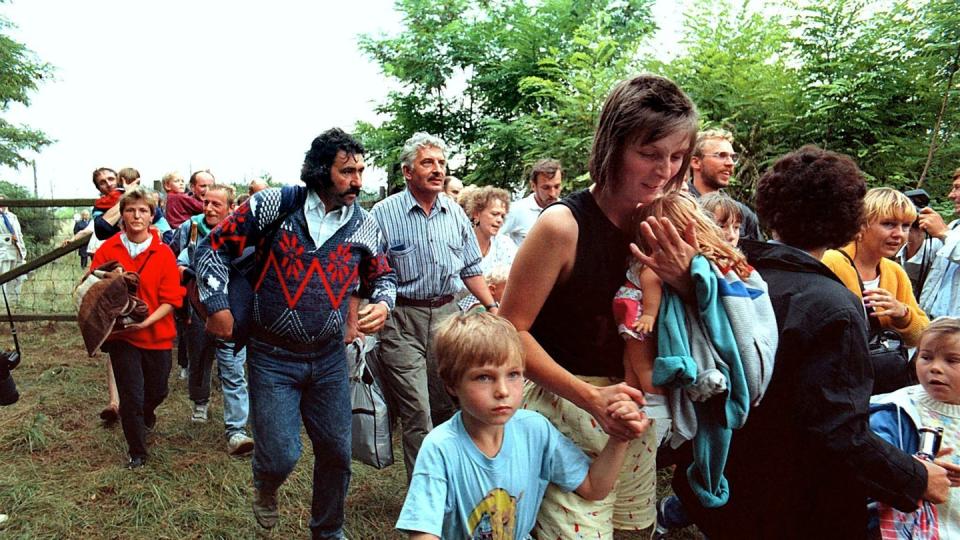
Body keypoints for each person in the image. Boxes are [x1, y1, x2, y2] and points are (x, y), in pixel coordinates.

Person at [656, 145, 949, 538]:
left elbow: (785, 370)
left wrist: (908, 366)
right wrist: (916, 477)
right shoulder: (831, 304)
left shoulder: (728, 281)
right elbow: (838, 430)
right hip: (795, 508)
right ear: (850, 221)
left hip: (724, 489)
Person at [499, 74, 698, 537]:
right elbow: (509, 332)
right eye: (648, 154)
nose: (664, 170)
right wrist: (591, 397)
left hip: (637, 413)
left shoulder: (666, 221)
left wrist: (685, 281)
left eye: (676, 156)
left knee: (634, 531)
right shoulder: (562, 226)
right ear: (612, 145)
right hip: (565, 409)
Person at [196, 128, 396, 538]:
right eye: (348, 171)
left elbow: (384, 276)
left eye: (361, 170)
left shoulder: (365, 224)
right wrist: (216, 305)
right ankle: (266, 485)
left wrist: (384, 304)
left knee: (337, 453)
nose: (358, 180)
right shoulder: (274, 206)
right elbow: (213, 248)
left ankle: (328, 530)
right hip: (272, 357)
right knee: (282, 456)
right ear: (321, 171)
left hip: (328, 360)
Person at [395, 311, 647, 539]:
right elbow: (423, 532)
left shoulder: (535, 430)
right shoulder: (440, 447)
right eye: (484, 377)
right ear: (451, 383)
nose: (503, 390)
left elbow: (593, 488)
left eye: (514, 374)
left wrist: (619, 437)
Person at [371, 132, 499, 480]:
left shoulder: (455, 214)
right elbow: (369, 273)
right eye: (428, 162)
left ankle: (450, 481)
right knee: (417, 410)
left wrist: (492, 308)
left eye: (441, 163)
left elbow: (471, 269)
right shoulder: (383, 214)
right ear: (407, 171)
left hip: (447, 318)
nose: (437, 170)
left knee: (446, 405)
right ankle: (424, 498)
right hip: (400, 320)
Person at [615, 192, 756, 447]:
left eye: (736, 227)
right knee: (639, 366)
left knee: (636, 364)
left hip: (633, 314)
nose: (731, 232)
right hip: (638, 316)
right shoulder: (658, 265)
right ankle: (647, 408)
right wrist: (649, 313)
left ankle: (641, 406)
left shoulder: (693, 265)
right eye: (722, 225)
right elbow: (650, 281)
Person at [90, 189, 184, 469]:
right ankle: (137, 451)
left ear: (152, 215)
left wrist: (146, 321)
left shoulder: (163, 252)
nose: (137, 216)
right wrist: (109, 276)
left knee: (158, 391)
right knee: (131, 394)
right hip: (122, 336)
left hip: (156, 333)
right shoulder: (109, 249)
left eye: (143, 210)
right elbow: (93, 283)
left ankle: (146, 414)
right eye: (131, 210)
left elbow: (172, 299)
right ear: (123, 214)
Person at [172, 184, 254, 455]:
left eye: (216, 204)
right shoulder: (193, 231)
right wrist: (185, 271)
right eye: (205, 202)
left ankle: (236, 430)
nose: (208, 208)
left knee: (233, 370)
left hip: (233, 315)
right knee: (199, 359)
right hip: (199, 313)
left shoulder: (242, 235)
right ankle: (200, 402)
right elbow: (180, 260)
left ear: (231, 209)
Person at [869, 317, 960, 537]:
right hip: (910, 529)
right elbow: (872, 465)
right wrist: (914, 471)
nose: (935, 368)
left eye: (952, 360)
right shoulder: (895, 409)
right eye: (926, 357)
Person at [822, 187, 929, 347]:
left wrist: (903, 315)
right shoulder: (831, 262)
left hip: (880, 369)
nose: (899, 233)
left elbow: (922, 336)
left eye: (906, 226)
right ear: (861, 225)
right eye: (888, 224)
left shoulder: (895, 272)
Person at [686, 129, 762, 242]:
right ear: (696, 162)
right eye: (721, 156)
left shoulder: (743, 214)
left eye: (733, 157)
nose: (730, 163)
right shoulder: (679, 207)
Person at [919, 168, 960, 318]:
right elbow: (916, 267)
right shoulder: (955, 227)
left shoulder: (948, 233)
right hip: (934, 326)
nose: (951, 195)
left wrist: (943, 233)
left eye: (958, 188)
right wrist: (914, 233)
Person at [499, 158, 562, 246]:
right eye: (546, 188)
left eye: (557, 186)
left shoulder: (566, 211)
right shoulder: (517, 210)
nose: (552, 193)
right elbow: (492, 237)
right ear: (533, 186)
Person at [0, 195, 27, 305]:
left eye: (3, 201)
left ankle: (14, 304)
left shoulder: (12, 216)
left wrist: (22, 249)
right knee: (3, 280)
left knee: (17, 279)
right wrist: (9, 238)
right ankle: (2, 305)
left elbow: (19, 235)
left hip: (17, 251)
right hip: (3, 252)